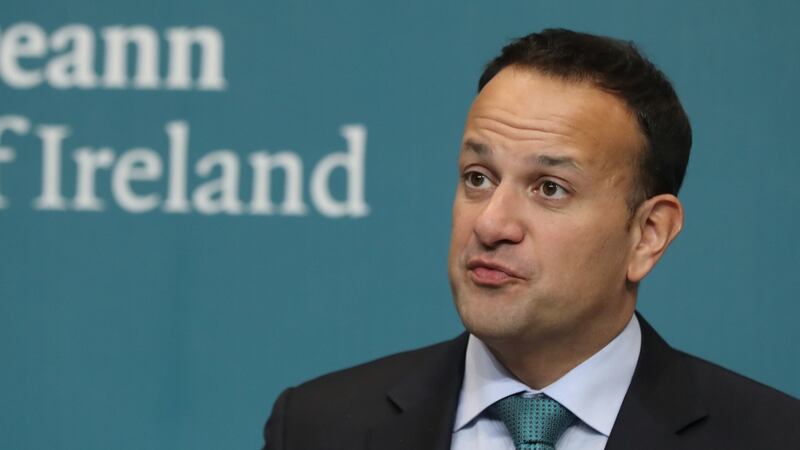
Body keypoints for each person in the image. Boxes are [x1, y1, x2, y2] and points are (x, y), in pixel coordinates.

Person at [262, 29, 799, 450]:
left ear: (647, 234)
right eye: (478, 177)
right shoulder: (318, 427)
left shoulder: (772, 438)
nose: (491, 225)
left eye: (549, 188)